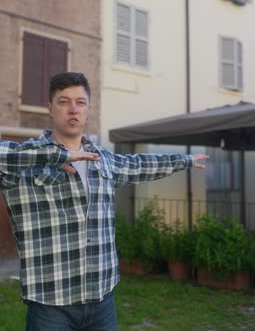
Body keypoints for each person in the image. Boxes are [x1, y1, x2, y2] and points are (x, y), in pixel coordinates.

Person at [0, 72, 209, 331]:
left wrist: (184, 161)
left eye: (80, 102)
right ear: (50, 109)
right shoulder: (23, 159)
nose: (73, 109)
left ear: (89, 109)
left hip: (102, 301)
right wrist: (54, 155)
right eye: (64, 102)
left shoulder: (103, 159)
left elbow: (140, 165)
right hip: (50, 304)